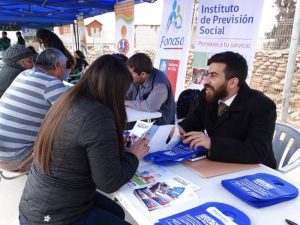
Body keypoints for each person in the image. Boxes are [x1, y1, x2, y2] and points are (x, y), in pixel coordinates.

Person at [19, 54, 149, 225]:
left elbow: (79, 143)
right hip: (53, 216)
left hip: (38, 202)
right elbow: (109, 183)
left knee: (117, 211)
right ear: (115, 90)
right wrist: (134, 155)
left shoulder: (67, 99)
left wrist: (110, 144)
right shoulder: (98, 115)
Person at [171, 51, 277, 169]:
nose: (205, 81)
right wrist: (179, 129)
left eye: (213, 75)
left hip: (254, 172)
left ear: (232, 82)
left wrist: (211, 143)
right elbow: (195, 120)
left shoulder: (262, 106)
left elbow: (256, 151)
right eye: (207, 74)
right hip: (217, 165)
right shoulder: (207, 95)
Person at [0, 48, 68, 173]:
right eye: (65, 67)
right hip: (17, 159)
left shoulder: (23, 74)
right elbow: (76, 115)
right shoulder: (51, 83)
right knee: (69, 140)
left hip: (3, 152)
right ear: (57, 66)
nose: (65, 72)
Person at [125, 52, 175, 125]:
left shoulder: (160, 84)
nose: (129, 76)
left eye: (132, 74)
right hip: (141, 121)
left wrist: (126, 103)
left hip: (158, 125)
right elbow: (127, 96)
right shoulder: (136, 79)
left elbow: (150, 106)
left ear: (143, 74)